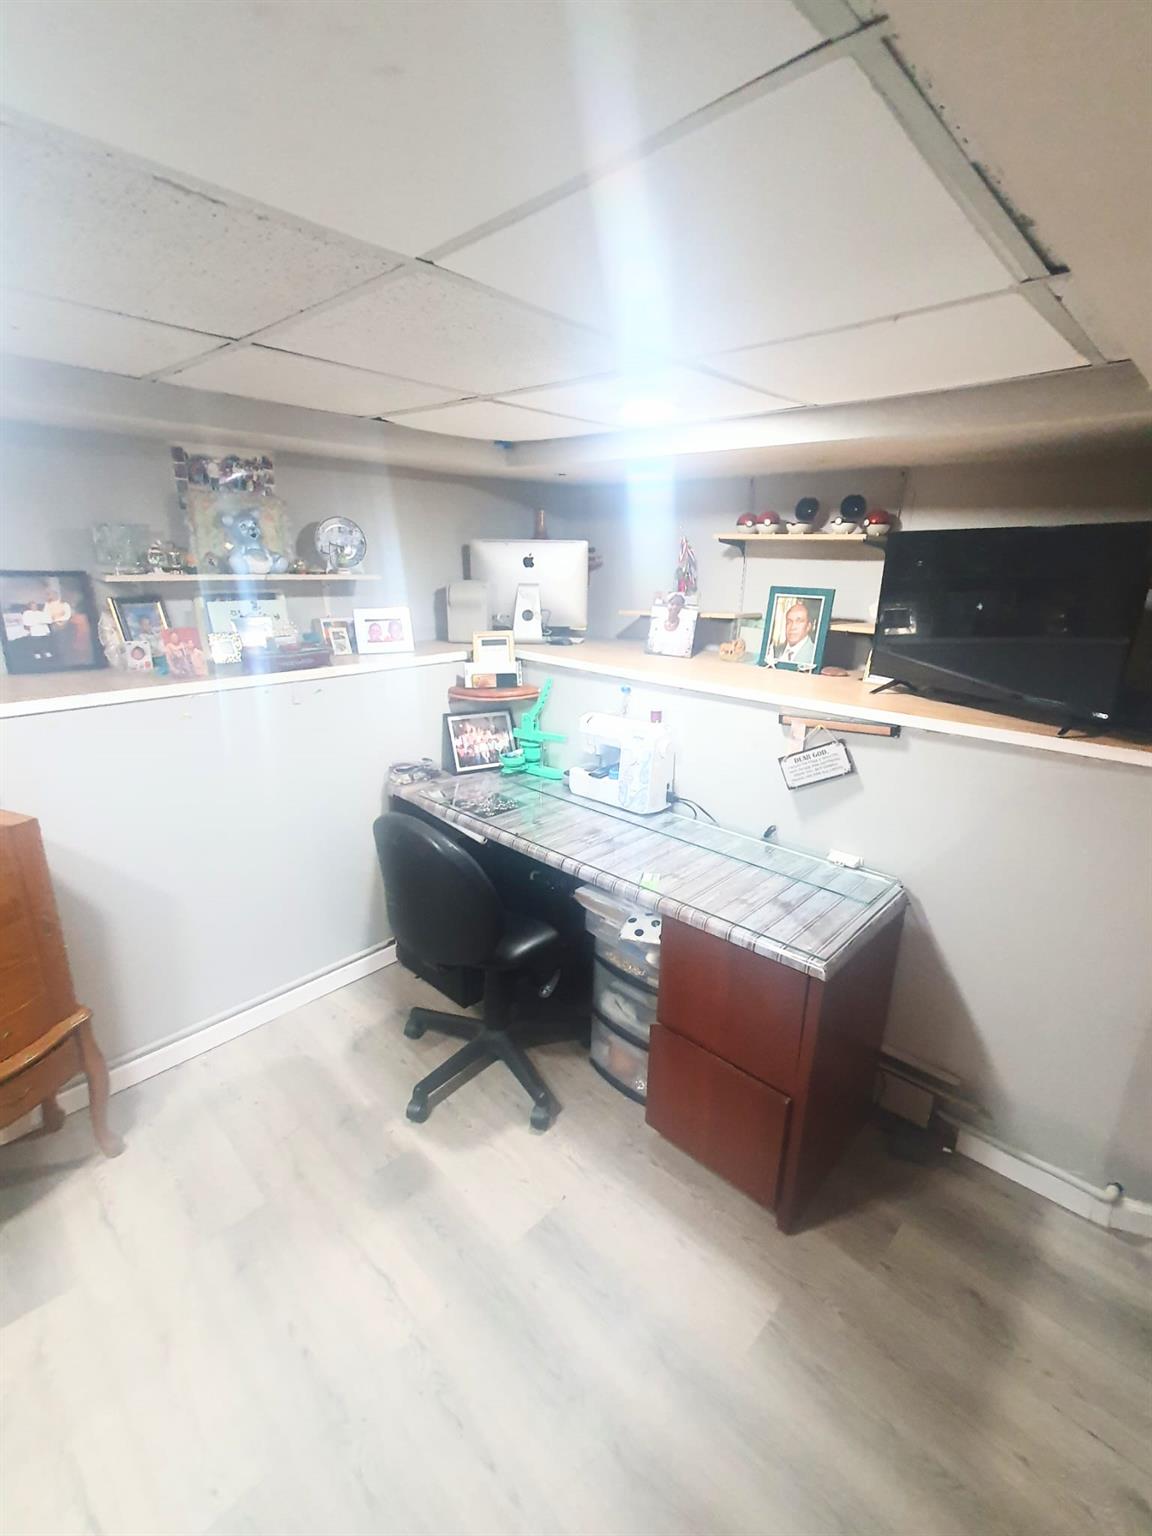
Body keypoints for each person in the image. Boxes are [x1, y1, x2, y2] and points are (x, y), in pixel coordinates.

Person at [771, 599, 819, 668]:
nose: (792, 627)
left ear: (808, 626)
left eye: (799, 621)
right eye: (789, 622)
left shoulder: (814, 654)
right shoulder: (775, 650)